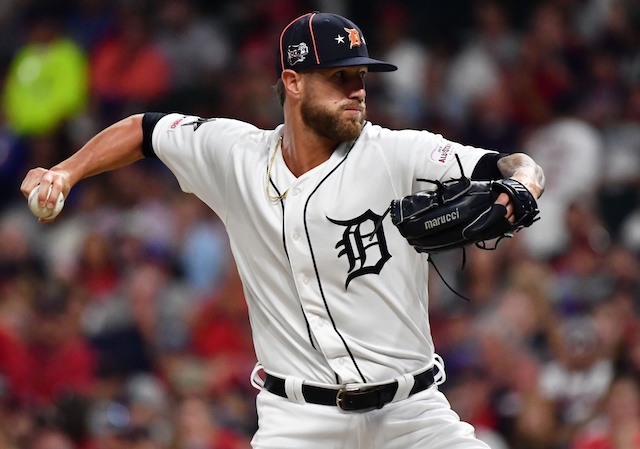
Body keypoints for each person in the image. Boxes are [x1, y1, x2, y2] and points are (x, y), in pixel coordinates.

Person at [21, 12, 545, 449]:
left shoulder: (395, 153)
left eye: (361, 77)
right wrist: (66, 171)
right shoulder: (235, 154)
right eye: (339, 77)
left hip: (413, 418)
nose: (357, 90)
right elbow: (144, 130)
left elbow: (516, 165)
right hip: (298, 423)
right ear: (292, 82)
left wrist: (521, 188)